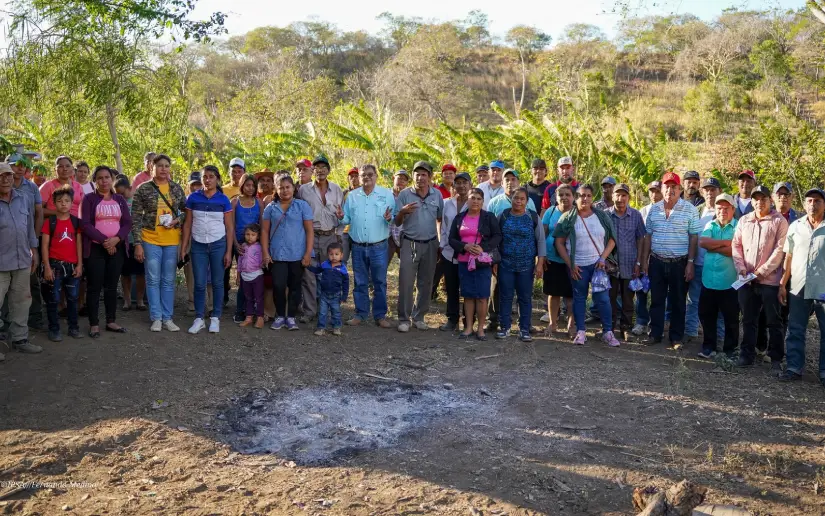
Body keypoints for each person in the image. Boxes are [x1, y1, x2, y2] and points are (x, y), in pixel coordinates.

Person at [642, 172, 702, 349]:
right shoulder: (654, 209)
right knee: (657, 300)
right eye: (666, 186)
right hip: (657, 261)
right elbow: (648, 236)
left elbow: (693, 238)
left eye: (674, 187)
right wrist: (644, 261)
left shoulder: (689, 209)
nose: (670, 190)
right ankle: (655, 334)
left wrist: (690, 262)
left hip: (679, 262)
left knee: (678, 301)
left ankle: (676, 337)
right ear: (662, 188)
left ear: (679, 189)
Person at [554, 184, 619, 346]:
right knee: (579, 298)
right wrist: (570, 264)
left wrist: (603, 258)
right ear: (576, 198)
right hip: (578, 267)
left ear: (592, 198)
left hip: (598, 266)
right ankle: (581, 331)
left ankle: (608, 332)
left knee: (603, 299)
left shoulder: (602, 217)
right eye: (582, 195)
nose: (585, 199)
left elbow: (612, 239)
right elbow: (559, 242)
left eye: (589, 195)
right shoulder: (567, 218)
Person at [731, 185, 787, 371]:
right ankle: (747, 355)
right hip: (746, 280)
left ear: (770, 200)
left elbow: (780, 250)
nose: (759, 202)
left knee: (773, 320)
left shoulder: (779, 221)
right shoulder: (745, 220)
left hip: (769, 281)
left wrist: (761, 271)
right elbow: (736, 245)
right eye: (756, 198)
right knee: (748, 319)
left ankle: (776, 357)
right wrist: (741, 267)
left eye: (763, 198)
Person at [131, 154, 186, 333]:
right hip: (150, 239)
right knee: (153, 279)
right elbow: (136, 217)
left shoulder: (176, 188)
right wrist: (137, 243)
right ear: (151, 168)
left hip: (171, 240)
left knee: (168, 280)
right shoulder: (143, 189)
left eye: (166, 166)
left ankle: (168, 318)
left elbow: (185, 211)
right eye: (160, 165)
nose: (163, 169)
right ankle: (156, 317)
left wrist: (178, 220)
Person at [338, 164, 396, 328]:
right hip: (357, 246)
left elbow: (394, 218)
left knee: (379, 281)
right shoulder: (353, 196)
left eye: (370, 174)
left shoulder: (386, 194)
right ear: (359, 177)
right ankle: (360, 314)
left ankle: (380, 315)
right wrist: (341, 217)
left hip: (379, 246)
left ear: (376, 175)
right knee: (360, 281)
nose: (367, 177)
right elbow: (346, 219)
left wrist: (389, 217)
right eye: (363, 175)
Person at [777, 188, 825, 384]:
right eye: (809, 201)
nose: (812, 204)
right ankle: (794, 368)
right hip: (798, 285)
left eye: (817, 201)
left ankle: (824, 372)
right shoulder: (795, 226)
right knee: (796, 328)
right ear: (804, 204)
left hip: (823, 288)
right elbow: (789, 256)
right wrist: (782, 283)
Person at [181, 165, 233, 334]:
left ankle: (215, 317)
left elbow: (229, 227)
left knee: (218, 282)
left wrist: (228, 251)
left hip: (218, 244)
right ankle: (199, 318)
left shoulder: (223, 200)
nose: (208, 180)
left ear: (217, 179)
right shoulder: (193, 198)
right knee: (199, 282)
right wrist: (184, 247)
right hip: (198, 245)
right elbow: (188, 224)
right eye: (205, 177)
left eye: (211, 176)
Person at [81, 166, 131, 338]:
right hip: (96, 248)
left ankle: (111, 321)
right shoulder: (88, 199)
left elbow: (127, 223)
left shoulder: (119, 199)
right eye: (100, 178)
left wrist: (116, 239)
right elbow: (85, 224)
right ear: (95, 180)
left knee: (111, 286)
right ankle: (94, 324)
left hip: (116, 247)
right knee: (94, 286)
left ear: (112, 179)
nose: (104, 181)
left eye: (107, 177)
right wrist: (104, 241)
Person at [394, 161, 444, 332]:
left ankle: (419, 316)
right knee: (406, 281)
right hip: (409, 242)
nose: (420, 177)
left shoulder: (436, 195)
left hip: (430, 243)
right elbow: (396, 221)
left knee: (426, 282)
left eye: (424, 174)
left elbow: (439, 219)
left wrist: (439, 241)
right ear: (413, 176)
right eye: (417, 174)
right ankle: (403, 319)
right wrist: (402, 212)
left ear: (430, 177)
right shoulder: (404, 195)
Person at [0, 163, 41, 358]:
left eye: (8, 175)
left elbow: (29, 228)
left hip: (22, 260)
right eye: (1, 176)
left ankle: (20, 339)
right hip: (1, 263)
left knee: (22, 302)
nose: (5, 179)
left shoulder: (23, 198)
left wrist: (34, 250)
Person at [262, 175, 313, 331]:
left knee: (295, 286)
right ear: (276, 190)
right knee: (278, 285)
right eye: (281, 188)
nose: (284, 190)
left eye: (287, 187)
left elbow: (309, 231)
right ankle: (279, 316)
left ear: (293, 188)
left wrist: (307, 254)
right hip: (277, 255)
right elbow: (264, 231)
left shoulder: (302, 206)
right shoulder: (270, 207)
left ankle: (290, 317)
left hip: (297, 254)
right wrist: (265, 253)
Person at [296, 155, 344, 324]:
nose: (321, 170)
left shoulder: (337, 189)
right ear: (313, 171)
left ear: (329, 170)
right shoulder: (304, 190)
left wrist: (338, 233)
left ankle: (329, 311)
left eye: (324, 167)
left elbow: (342, 214)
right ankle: (310, 311)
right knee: (309, 274)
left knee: (329, 274)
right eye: (317, 167)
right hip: (311, 236)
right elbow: (299, 212)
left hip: (330, 236)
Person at [449, 187, 501, 340]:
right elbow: (451, 239)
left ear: (482, 201)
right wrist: (464, 246)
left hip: (482, 262)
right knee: (468, 295)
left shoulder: (488, 217)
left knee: (482, 296)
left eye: (479, 199)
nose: (475, 201)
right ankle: (468, 327)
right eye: (473, 198)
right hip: (464, 262)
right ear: (468, 200)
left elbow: (497, 236)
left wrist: (482, 247)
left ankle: (480, 329)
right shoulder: (459, 218)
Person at [496, 188, 546, 342]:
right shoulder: (503, 215)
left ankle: (524, 328)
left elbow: (541, 240)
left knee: (525, 297)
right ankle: (505, 327)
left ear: (527, 201)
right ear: (511, 199)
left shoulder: (532, 217)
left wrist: (540, 264)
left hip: (527, 265)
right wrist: (495, 261)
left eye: (522, 199)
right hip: (506, 264)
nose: (518, 201)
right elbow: (496, 239)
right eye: (516, 198)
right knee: (505, 296)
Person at [696, 194, 739, 359]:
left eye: (726, 208)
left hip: (730, 281)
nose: (722, 211)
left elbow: (735, 250)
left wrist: (714, 246)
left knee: (731, 318)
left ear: (733, 210)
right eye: (719, 208)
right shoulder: (710, 224)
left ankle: (730, 350)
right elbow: (703, 242)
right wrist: (727, 243)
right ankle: (709, 346)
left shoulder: (738, 227)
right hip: (709, 280)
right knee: (707, 315)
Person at [6, 151, 44, 330]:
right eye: (15, 165)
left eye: (23, 165)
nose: (20, 169)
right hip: (4, 248)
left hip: (26, 243)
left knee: (30, 284)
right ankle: (5, 326)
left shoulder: (31, 188)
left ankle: (34, 320)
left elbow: (37, 215)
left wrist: (34, 242)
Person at [41, 186, 83, 342]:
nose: (63, 204)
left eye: (67, 201)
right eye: (59, 201)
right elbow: (44, 246)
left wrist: (79, 265)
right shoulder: (49, 222)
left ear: (72, 203)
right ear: (54, 203)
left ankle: (74, 327)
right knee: (54, 299)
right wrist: (46, 266)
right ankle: (54, 329)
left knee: (73, 298)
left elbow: (79, 245)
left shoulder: (76, 223)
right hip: (54, 266)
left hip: (72, 267)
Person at [607, 183, 646, 340]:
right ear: (612, 196)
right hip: (611, 265)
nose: (620, 198)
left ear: (628, 198)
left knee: (628, 299)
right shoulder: (605, 214)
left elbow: (641, 239)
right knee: (609, 297)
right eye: (617, 195)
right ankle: (608, 327)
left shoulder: (636, 215)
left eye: (624, 195)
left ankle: (626, 327)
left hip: (630, 264)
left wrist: (639, 263)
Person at [686, 177, 722, 341]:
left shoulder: (726, 210)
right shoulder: (697, 210)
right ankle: (691, 332)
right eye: (707, 190)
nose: (709, 193)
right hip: (698, 263)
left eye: (713, 190)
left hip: (718, 266)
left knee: (718, 305)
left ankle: (720, 337)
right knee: (694, 301)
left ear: (719, 191)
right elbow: (691, 236)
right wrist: (690, 262)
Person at [437, 171, 472, 331]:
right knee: (451, 287)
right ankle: (452, 319)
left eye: (465, 182)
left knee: (467, 288)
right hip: (449, 252)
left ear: (470, 185)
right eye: (458, 182)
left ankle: (468, 321)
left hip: (468, 253)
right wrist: (442, 245)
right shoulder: (447, 204)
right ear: (454, 185)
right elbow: (443, 227)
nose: (461, 185)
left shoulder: (476, 203)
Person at [541, 184, 575, 336]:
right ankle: (552, 324)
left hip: (572, 261)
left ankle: (571, 326)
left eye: (568, 194)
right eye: (561, 195)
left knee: (571, 295)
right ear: (556, 196)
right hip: (551, 259)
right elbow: (543, 234)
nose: (564, 198)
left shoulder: (577, 213)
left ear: (573, 197)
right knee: (553, 293)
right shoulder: (551, 211)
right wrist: (541, 256)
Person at [633, 180, 664, 336]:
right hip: (644, 256)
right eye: (651, 191)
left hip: (660, 257)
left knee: (659, 293)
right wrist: (641, 260)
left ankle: (658, 324)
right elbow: (640, 236)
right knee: (641, 291)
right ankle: (641, 321)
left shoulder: (667, 210)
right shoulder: (642, 211)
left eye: (657, 191)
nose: (654, 194)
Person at [230, 173, 262, 324]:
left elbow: (262, 226)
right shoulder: (235, 202)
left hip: (255, 245)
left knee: (255, 276)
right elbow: (230, 225)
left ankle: (254, 309)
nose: (250, 188)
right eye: (247, 185)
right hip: (240, 244)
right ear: (242, 186)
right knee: (243, 278)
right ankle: (240, 310)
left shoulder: (259, 202)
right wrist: (236, 244)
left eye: (253, 185)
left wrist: (260, 246)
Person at [115, 175, 146, 312]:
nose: (120, 196)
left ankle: (140, 300)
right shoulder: (116, 203)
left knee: (141, 272)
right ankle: (127, 300)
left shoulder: (138, 201)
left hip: (139, 241)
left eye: (122, 193)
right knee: (125, 273)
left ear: (129, 188)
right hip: (123, 242)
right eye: (118, 194)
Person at [308, 242, 349, 336]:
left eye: (336, 254)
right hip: (324, 294)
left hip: (336, 295)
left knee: (336, 312)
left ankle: (336, 327)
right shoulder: (324, 264)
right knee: (322, 312)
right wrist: (308, 267)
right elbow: (316, 270)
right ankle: (321, 328)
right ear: (328, 255)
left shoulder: (343, 269)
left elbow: (346, 283)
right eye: (331, 254)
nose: (333, 256)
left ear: (341, 255)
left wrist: (344, 296)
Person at [236, 223, 265, 329]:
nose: (250, 237)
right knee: (248, 298)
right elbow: (240, 261)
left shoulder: (260, 247)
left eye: (253, 234)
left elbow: (263, 260)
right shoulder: (243, 246)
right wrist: (238, 275)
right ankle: (248, 317)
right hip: (245, 276)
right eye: (247, 234)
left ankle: (260, 317)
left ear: (258, 236)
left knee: (259, 298)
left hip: (257, 276)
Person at [388, 170, 409, 262]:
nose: (401, 181)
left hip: (403, 234)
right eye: (399, 178)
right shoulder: (385, 194)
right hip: (387, 235)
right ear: (393, 178)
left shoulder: (409, 196)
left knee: (406, 265)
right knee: (382, 264)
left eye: (404, 180)